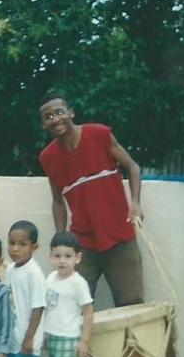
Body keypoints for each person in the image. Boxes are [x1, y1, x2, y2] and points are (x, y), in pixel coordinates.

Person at [38, 93, 144, 306]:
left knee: (131, 304)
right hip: (83, 242)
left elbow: (133, 167)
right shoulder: (48, 157)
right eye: (48, 117)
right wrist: (61, 238)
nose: (55, 119)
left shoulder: (100, 134)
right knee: (73, 302)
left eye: (59, 112)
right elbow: (58, 201)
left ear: (71, 112)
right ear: (44, 124)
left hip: (119, 235)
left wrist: (135, 203)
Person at [39, 232, 94, 357]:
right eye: (57, 255)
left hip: (69, 340)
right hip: (52, 337)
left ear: (77, 258)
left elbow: (88, 313)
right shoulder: (51, 278)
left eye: (68, 256)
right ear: (51, 256)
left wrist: (84, 341)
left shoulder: (78, 283)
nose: (62, 260)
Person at [1, 220, 47, 357]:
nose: (15, 249)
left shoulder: (34, 273)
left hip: (26, 343)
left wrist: (29, 338)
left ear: (34, 247)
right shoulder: (10, 270)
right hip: (12, 340)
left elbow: (38, 307)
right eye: (11, 243)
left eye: (22, 244)